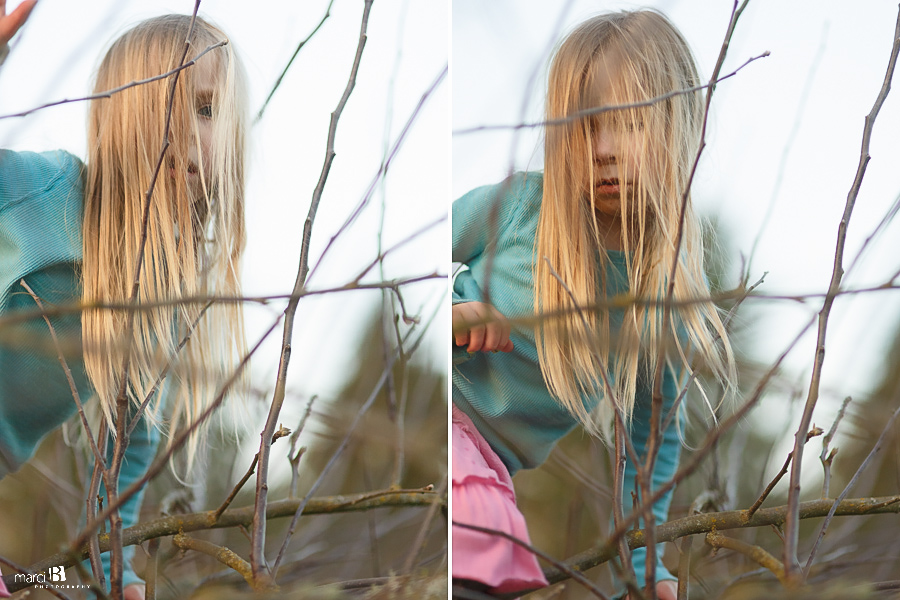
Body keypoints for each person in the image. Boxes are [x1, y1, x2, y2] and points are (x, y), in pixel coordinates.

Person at [451, 10, 736, 599]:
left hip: (491, 471)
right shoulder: (519, 209)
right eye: (585, 126)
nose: (603, 149)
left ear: (678, 127)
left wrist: (645, 570)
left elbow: (647, 451)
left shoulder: (658, 306)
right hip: (446, 426)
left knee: (496, 560)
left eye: (629, 123)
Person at [1, 8, 248, 599]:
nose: (193, 131)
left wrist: (111, 572)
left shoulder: (158, 304)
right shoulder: (45, 194)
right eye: (171, 104)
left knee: (33, 581)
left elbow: (126, 447)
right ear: (120, 118)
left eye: (211, 111)